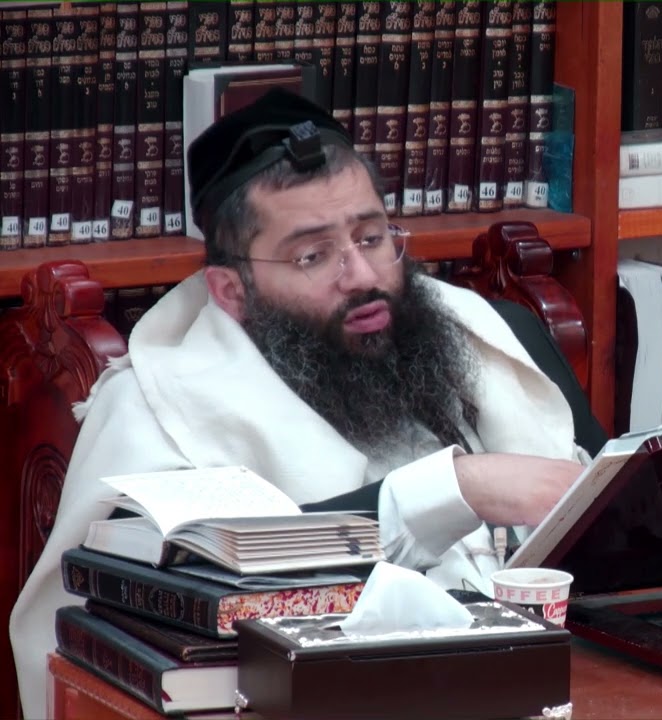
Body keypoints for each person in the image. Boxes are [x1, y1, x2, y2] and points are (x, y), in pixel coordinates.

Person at [9, 89, 595, 716]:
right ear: (231, 290)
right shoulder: (155, 413)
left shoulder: (488, 336)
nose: (362, 276)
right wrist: (456, 489)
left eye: (371, 237)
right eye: (313, 256)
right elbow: (175, 596)